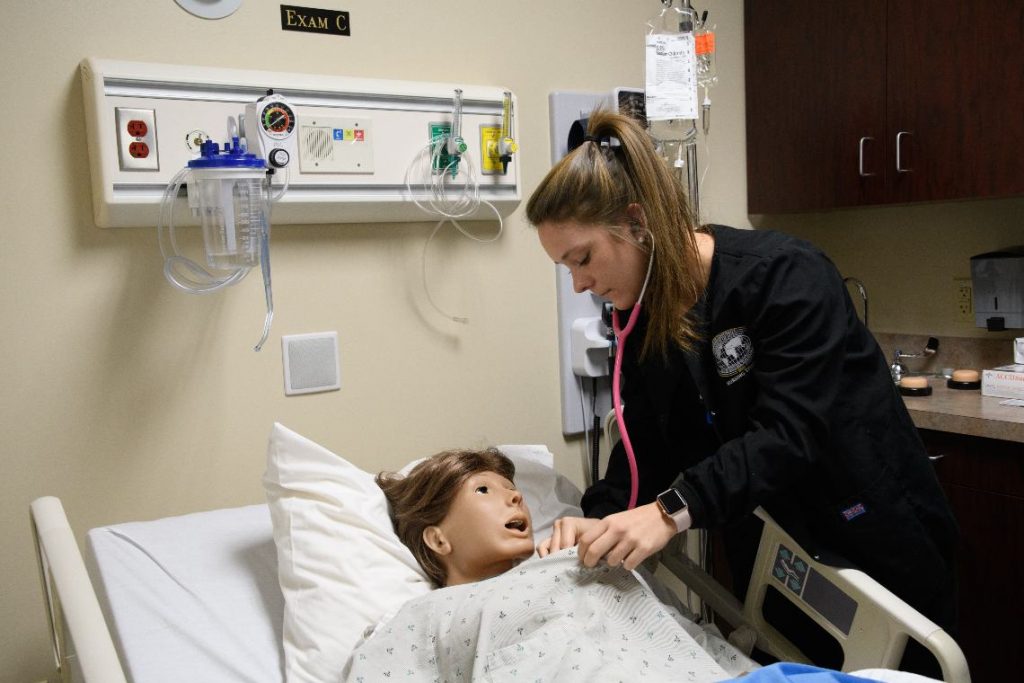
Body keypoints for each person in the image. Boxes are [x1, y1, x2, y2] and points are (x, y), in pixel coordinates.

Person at [526, 109, 959, 670]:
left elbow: (788, 434)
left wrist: (668, 512)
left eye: (582, 258)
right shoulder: (647, 321)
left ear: (637, 221)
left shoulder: (785, 277)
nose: (581, 283)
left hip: (871, 538)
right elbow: (647, 445)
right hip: (780, 558)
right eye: (566, 269)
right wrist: (605, 513)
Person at [375, 447, 534, 587]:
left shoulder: (552, 570)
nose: (516, 496)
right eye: (483, 490)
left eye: (511, 489)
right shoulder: (426, 614)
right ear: (438, 540)